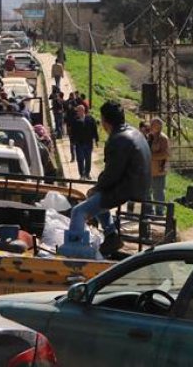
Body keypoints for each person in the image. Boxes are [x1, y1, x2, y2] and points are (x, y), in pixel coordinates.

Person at [61, 100, 151, 259]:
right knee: (95, 197)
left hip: (126, 189)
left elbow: (111, 174)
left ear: (105, 121)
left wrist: (97, 187)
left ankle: (76, 258)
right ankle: (111, 236)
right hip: (137, 185)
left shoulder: (118, 139)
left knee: (78, 212)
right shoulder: (134, 132)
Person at [69, 105, 99, 180]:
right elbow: (72, 132)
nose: (77, 112)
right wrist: (72, 141)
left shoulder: (90, 119)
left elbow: (94, 129)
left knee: (88, 159)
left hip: (88, 143)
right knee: (80, 159)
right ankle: (82, 174)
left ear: (82, 111)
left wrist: (96, 139)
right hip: (79, 143)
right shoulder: (75, 120)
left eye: (78, 111)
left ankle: (87, 174)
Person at [148, 118, 170, 215]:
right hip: (148, 171)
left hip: (159, 170)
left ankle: (160, 212)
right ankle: (149, 211)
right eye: (152, 124)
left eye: (155, 125)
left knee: (158, 193)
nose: (153, 127)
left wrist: (151, 156)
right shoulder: (149, 137)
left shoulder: (163, 138)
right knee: (147, 192)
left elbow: (166, 154)